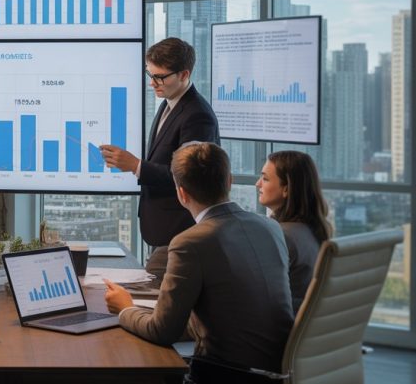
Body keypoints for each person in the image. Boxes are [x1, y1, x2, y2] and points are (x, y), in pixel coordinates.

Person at [104, 142, 294, 383]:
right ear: (229, 181)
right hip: (278, 373)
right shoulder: (270, 227)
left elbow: (161, 332)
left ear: (181, 193)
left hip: (222, 374)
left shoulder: (190, 242)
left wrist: (125, 308)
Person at [100, 37, 219, 280]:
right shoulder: (169, 103)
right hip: (163, 229)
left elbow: (190, 177)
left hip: (179, 228)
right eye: (149, 75)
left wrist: (135, 166)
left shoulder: (197, 115)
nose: (153, 83)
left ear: (184, 74)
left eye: (160, 77)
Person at [257, 150, 333, 313]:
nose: (258, 184)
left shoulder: (281, 236)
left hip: (276, 329)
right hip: (298, 327)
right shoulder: (312, 230)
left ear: (286, 189)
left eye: (265, 178)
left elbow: (258, 293)